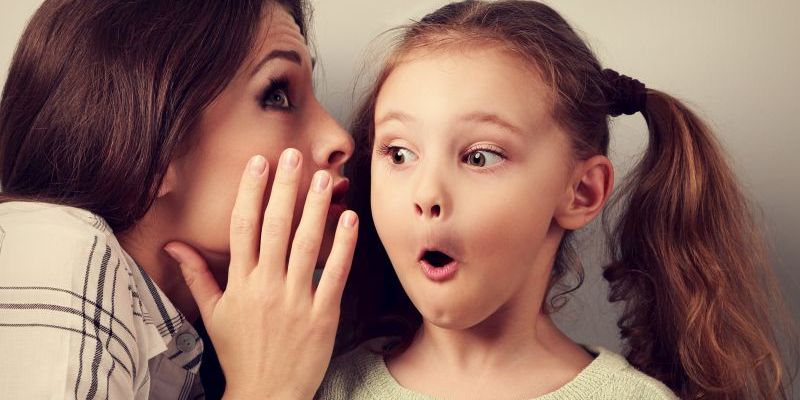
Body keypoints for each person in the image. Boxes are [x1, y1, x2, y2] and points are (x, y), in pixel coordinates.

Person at [321, 1, 796, 399]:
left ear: (581, 191)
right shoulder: (326, 388)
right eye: (399, 153)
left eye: (480, 157)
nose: (426, 195)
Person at [0, 0, 357, 398]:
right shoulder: (57, 250)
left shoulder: (189, 351)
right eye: (277, 96)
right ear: (141, 145)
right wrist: (269, 387)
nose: (340, 140)